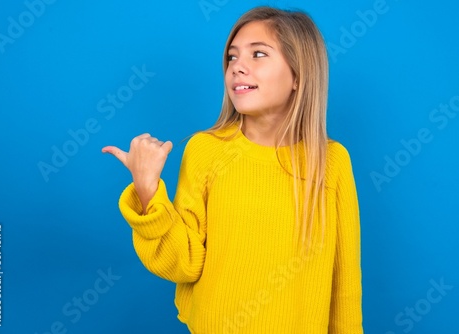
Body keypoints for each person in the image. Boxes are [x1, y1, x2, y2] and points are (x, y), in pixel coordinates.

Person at [102, 6, 363, 334]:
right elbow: (185, 262)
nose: (238, 67)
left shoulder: (331, 162)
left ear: (298, 75)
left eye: (258, 54)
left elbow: (345, 287)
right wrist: (147, 189)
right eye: (232, 57)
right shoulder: (206, 151)